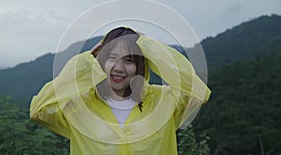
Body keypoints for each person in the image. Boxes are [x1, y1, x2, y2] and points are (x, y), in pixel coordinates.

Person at [30, 27, 211, 155]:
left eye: (129, 60)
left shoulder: (164, 100)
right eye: (111, 58)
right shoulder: (81, 105)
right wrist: (86, 63)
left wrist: (149, 46)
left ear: (140, 65)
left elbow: (199, 92)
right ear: (100, 61)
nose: (119, 68)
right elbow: (39, 110)